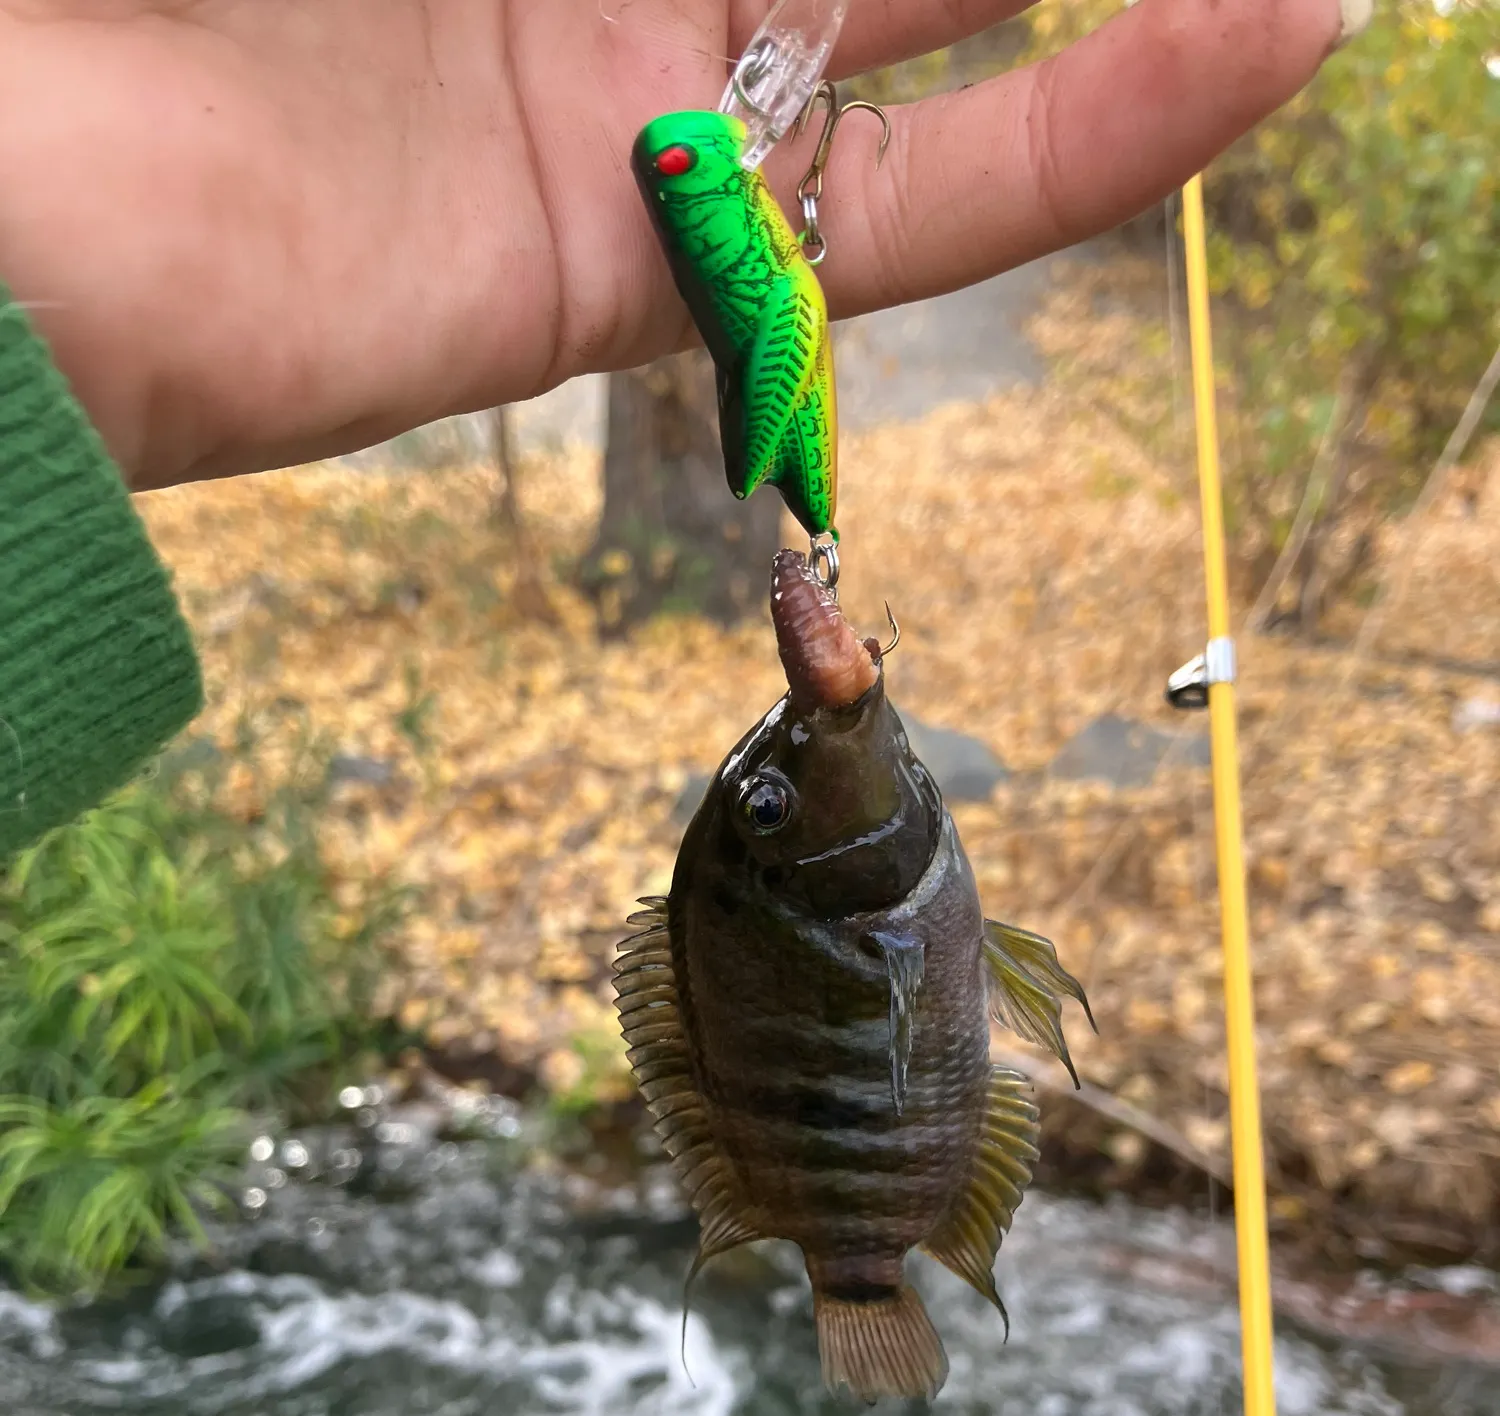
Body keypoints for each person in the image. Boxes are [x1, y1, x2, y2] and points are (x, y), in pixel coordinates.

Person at [0, 0, 1368, 857]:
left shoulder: (731, 208)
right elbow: (767, 325)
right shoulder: (731, 205)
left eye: (679, 162)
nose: (687, 162)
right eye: (676, 166)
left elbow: (766, 327)